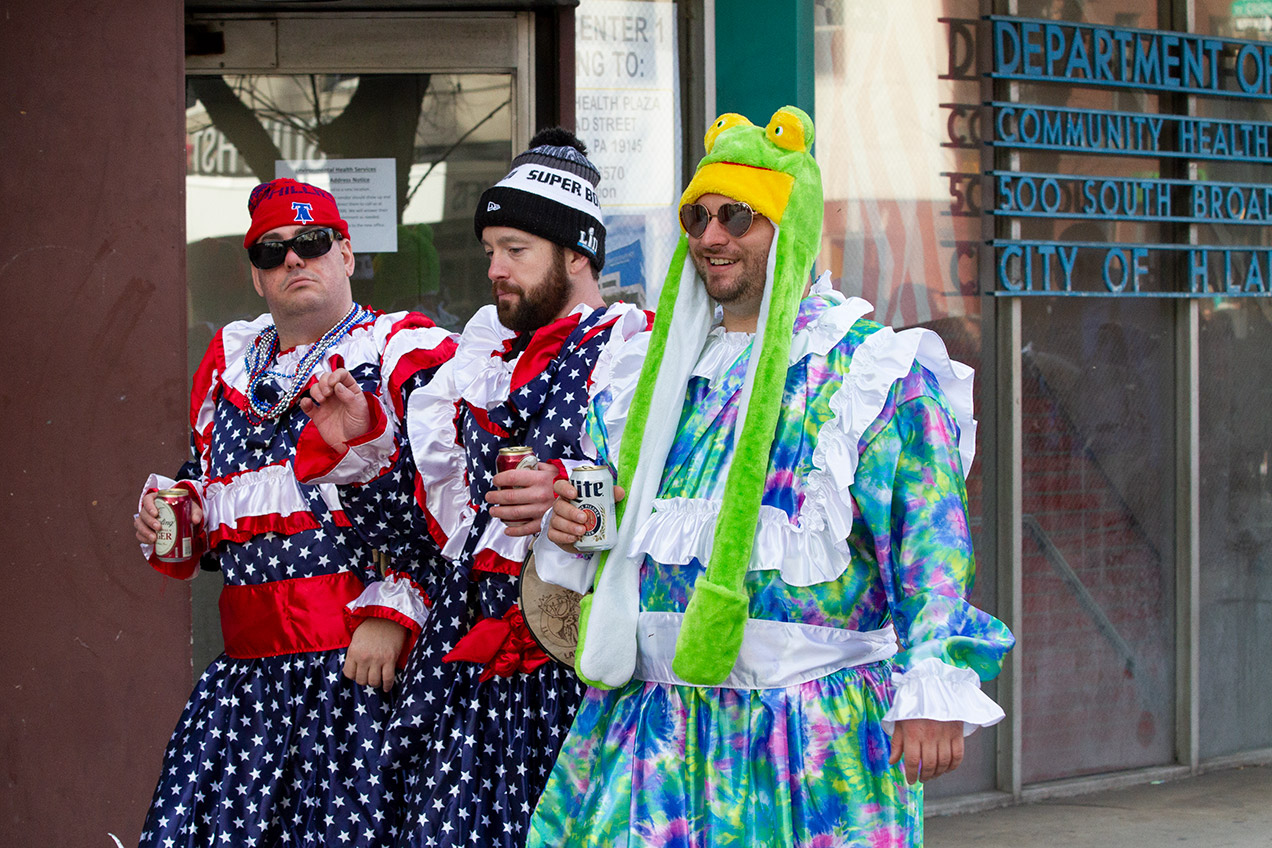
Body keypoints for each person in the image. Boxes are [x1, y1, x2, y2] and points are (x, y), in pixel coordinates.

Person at [529, 107, 1016, 847]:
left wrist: (934, 685)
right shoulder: (641, 376)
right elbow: (604, 525)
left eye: (737, 217)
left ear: (790, 227)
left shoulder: (869, 372)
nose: (711, 237)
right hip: (655, 726)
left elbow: (930, 543)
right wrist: (572, 526)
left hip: (810, 734)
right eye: (697, 218)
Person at [295, 128, 652, 848]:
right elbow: (430, 532)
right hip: (466, 675)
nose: (495, 269)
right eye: (490, 250)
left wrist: (572, 496)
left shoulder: (635, 350)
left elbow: (662, 495)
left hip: (577, 676)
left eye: (515, 250)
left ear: (577, 253)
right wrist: (362, 441)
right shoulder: (478, 363)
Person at [131, 178, 457, 848]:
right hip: (245, 691)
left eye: (312, 242)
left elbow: (460, 510)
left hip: (363, 680)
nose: (293, 259)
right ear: (256, 276)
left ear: (346, 253)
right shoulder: (227, 368)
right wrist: (179, 517)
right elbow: (221, 508)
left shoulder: (402, 352)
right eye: (271, 250)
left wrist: (397, 606)